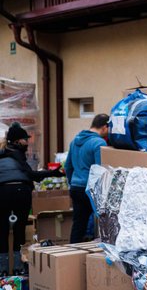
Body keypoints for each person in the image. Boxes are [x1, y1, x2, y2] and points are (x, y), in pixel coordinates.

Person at [0, 122, 64, 276]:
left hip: (2, 192)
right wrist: (53, 173)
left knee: (1, 230)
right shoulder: (18, 157)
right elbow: (32, 175)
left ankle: (2, 270)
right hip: (21, 192)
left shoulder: (4, 154)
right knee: (19, 229)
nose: (27, 142)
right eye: (25, 140)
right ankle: (18, 268)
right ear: (16, 141)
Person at [64, 114, 109, 243]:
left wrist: (72, 182)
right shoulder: (99, 142)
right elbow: (100, 170)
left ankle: (71, 255)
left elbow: (68, 166)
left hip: (76, 187)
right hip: (90, 189)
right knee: (102, 224)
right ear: (105, 127)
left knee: (78, 225)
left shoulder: (74, 141)